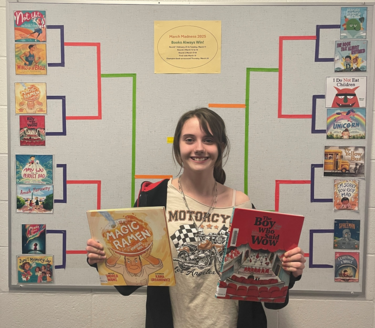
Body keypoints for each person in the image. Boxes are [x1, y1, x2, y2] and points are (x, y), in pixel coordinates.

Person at [86, 107, 306, 328]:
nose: (199, 148)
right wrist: (102, 257)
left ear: (221, 147)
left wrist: (289, 270)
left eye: (208, 140)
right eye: (190, 139)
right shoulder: (153, 198)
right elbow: (128, 283)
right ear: (178, 146)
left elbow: (267, 293)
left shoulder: (241, 203)